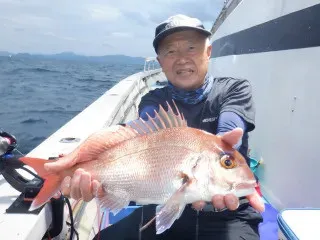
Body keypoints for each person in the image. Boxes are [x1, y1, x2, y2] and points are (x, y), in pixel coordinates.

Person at [45, 14, 264, 239]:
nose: (181, 58)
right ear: (160, 62)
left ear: (208, 52)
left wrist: (228, 142)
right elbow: (141, 129)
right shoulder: (154, 100)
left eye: (191, 47)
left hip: (230, 212)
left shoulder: (234, 89)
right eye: (170, 51)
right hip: (162, 203)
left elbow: (231, 126)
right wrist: (87, 154)